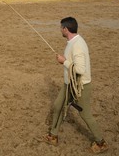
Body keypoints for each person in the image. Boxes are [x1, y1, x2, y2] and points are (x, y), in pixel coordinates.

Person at [38, 17, 108, 154]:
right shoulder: (72, 42)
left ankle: (101, 142)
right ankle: (53, 135)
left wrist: (64, 61)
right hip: (69, 84)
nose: (60, 30)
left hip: (80, 86)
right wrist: (65, 60)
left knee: (85, 114)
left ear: (65, 29)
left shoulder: (78, 45)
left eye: (61, 28)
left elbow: (81, 70)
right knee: (58, 105)